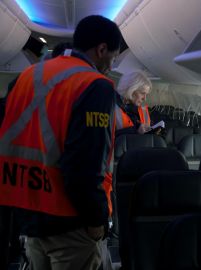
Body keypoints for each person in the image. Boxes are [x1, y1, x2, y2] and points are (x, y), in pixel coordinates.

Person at [0, 14, 122, 270]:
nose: (111, 65)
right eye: (112, 56)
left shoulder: (25, 77)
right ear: (101, 49)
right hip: (70, 220)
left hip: (28, 210)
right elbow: (85, 166)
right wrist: (97, 220)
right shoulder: (95, 85)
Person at [114, 70, 154, 136]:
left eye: (146, 94)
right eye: (142, 93)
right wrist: (135, 131)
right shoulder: (110, 107)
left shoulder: (143, 110)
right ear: (131, 89)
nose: (144, 98)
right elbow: (106, 137)